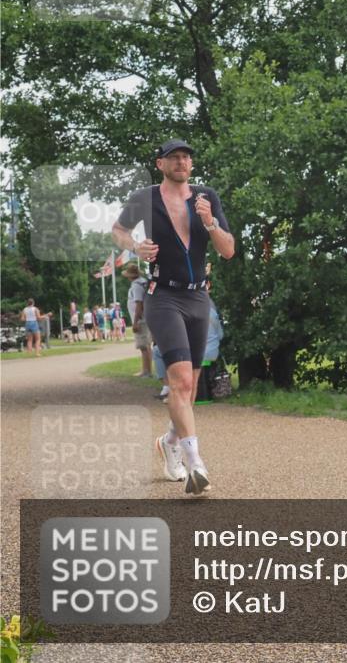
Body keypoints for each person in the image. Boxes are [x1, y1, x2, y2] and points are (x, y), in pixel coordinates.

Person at [112, 138, 235, 496]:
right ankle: (196, 464)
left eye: (186, 157)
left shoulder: (206, 197)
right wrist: (136, 246)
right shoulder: (145, 198)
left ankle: (169, 441)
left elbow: (227, 251)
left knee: (191, 387)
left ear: (191, 165)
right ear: (160, 164)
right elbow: (117, 231)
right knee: (180, 381)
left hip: (198, 296)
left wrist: (209, 222)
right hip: (162, 295)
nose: (181, 162)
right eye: (174, 157)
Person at [123, 263, 153, 377]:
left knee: (143, 346)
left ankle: (146, 371)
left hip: (141, 320)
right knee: (146, 346)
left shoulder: (136, 285)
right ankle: (146, 370)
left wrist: (135, 322)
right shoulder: (143, 282)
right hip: (145, 318)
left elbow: (139, 304)